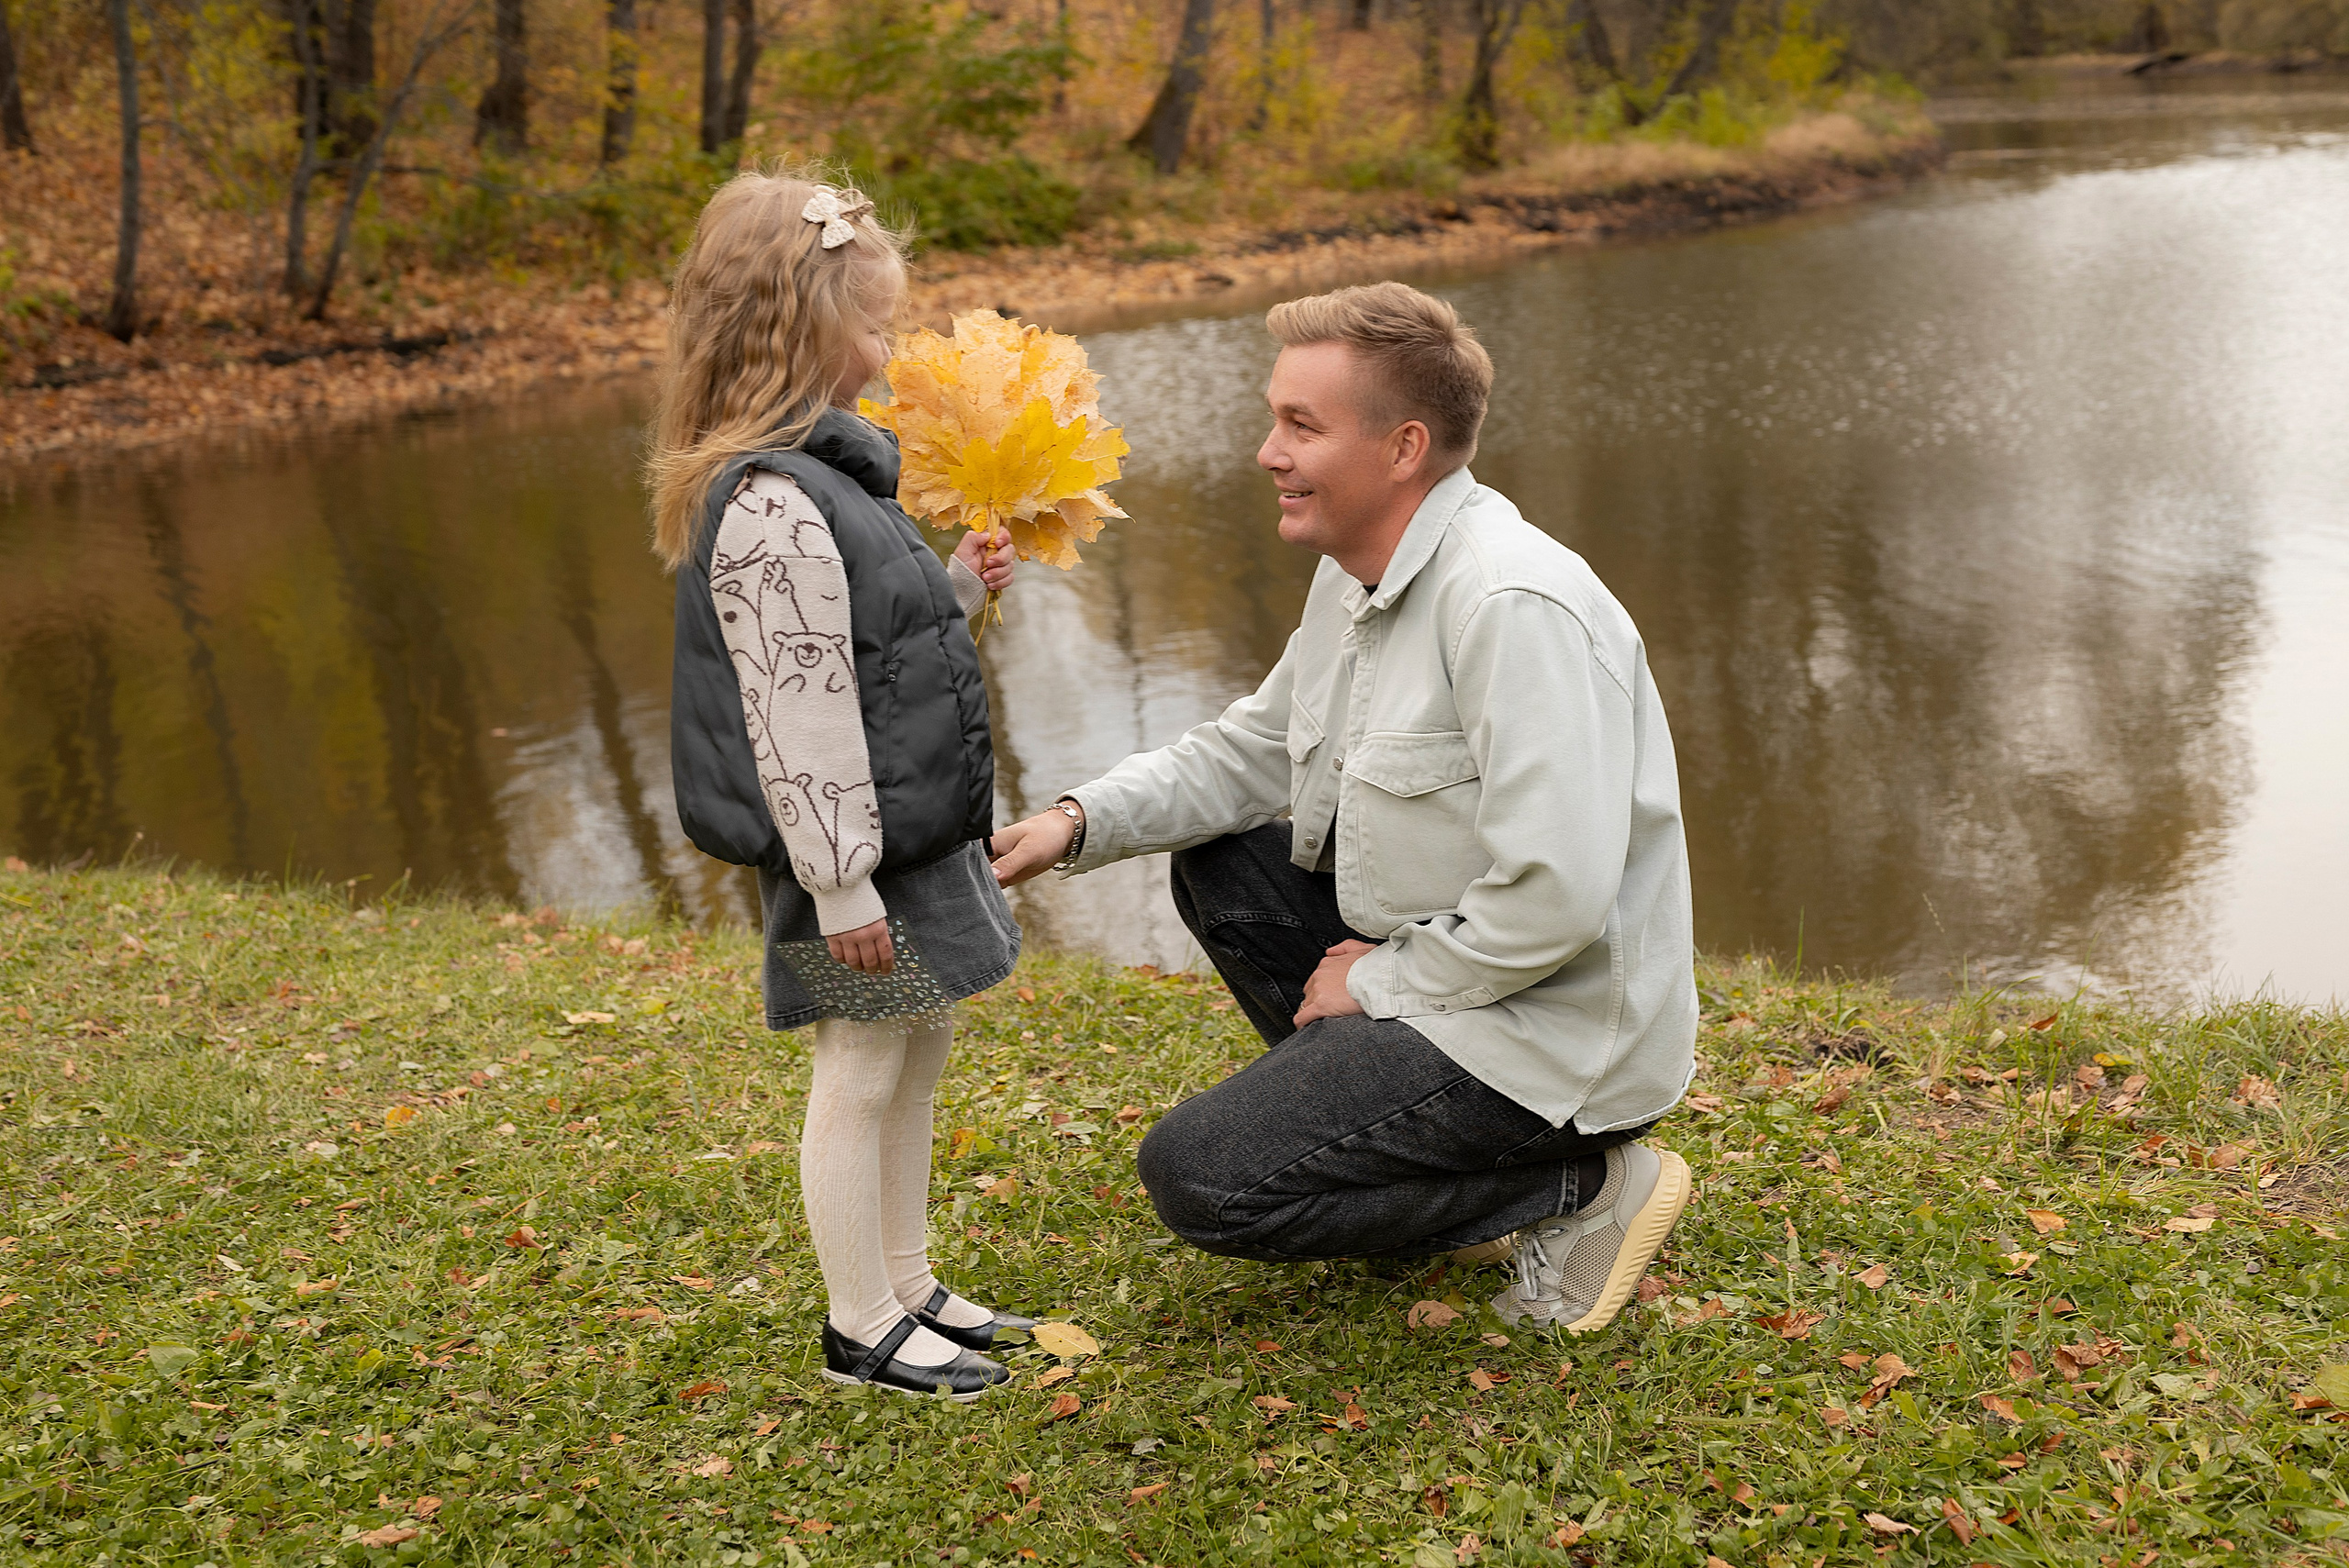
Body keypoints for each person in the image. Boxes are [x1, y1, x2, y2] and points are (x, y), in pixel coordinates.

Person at [991, 281, 1697, 1332]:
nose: (1267, 451)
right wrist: (1073, 822)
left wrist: (1385, 978)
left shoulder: (1509, 605)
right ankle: (1400, 1166)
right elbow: (1254, 749)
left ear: (1403, 447)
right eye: (1273, 418)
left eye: (1299, 426)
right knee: (1223, 857)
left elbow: (1558, 894)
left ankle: (1577, 1185)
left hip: (1556, 1033)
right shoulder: (1360, 577)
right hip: (1460, 970)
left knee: (1204, 1177)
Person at [652, 169, 1031, 1398]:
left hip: (898, 831)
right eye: (875, 323)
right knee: (860, 1064)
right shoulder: (770, 503)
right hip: (848, 859)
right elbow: (794, 714)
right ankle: (859, 1321)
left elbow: (869, 648)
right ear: (805, 329)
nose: (891, 345)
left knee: (917, 1043)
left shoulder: (836, 481)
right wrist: (840, 886)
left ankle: (911, 1283)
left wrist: (962, 584)